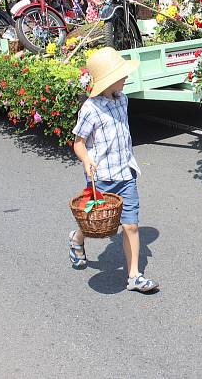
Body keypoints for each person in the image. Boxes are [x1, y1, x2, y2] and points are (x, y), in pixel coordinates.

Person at [68, 47, 159, 293]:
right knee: (96, 223)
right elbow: (78, 142)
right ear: (109, 79)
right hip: (102, 178)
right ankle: (77, 238)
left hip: (125, 174)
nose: (126, 77)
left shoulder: (123, 99)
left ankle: (134, 277)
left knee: (130, 225)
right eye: (121, 74)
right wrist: (87, 160)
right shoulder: (90, 108)